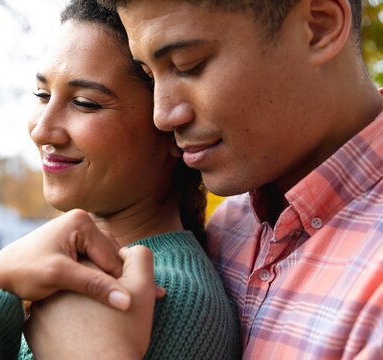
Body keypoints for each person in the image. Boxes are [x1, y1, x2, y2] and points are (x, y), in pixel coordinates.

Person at [24, 0, 383, 358]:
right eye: (149, 76)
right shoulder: (229, 226)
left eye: (188, 66)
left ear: (319, 26)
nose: (161, 117)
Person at [0, 1, 240, 359]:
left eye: (85, 103)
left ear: (170, 127)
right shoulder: (70, 266)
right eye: (42, 95)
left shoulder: (157, 296)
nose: (42, 130)